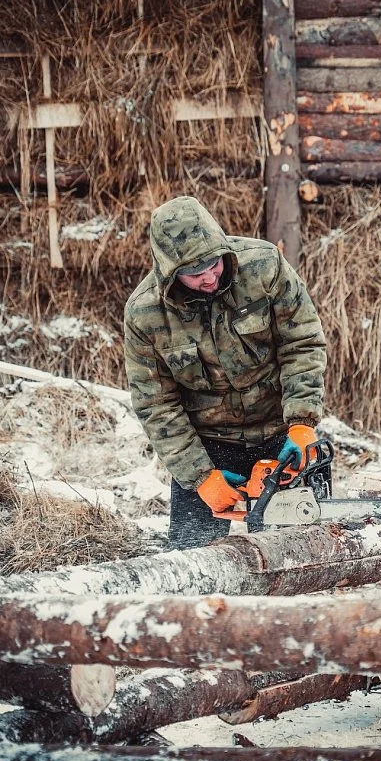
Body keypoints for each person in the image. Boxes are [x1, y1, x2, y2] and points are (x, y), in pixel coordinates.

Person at [124, 196, 327, 549]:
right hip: (210, 446)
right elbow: (156, 404)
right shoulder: (146, 314)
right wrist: (199, 476)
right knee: (192, 557)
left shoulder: (264, 266)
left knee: (308, 550)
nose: (208, 278)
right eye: (194, 274)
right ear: (170, 273)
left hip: (281, 435)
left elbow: (302, 344)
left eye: (213, 264)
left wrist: (302, 422)